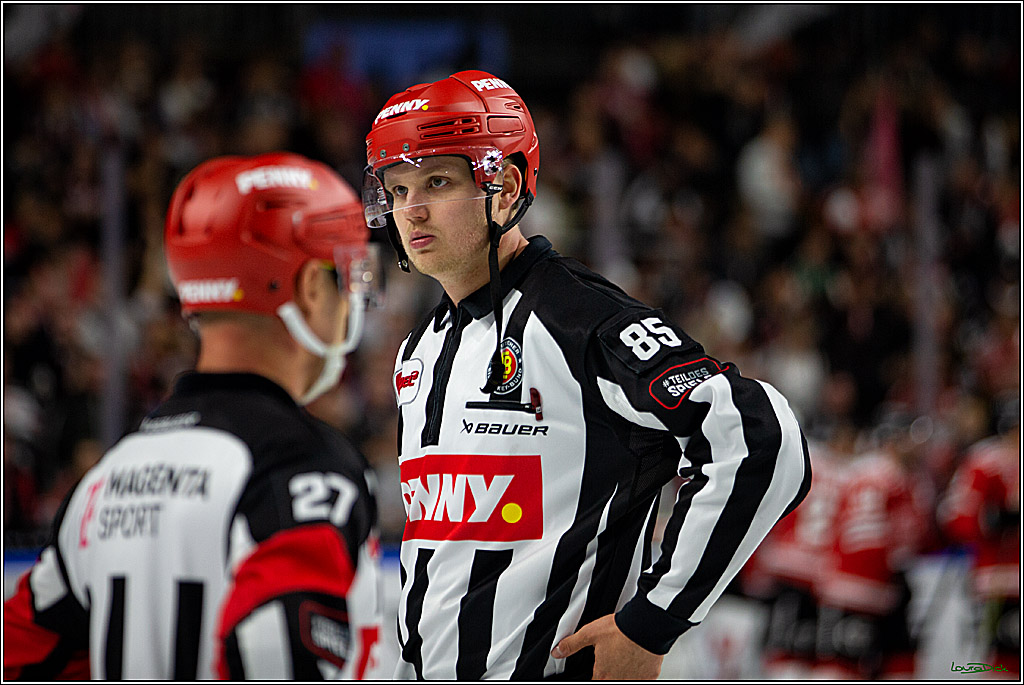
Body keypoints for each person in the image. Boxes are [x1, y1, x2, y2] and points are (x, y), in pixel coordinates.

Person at [362, 70, 812, 680]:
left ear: (504, 186)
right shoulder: (420, 347)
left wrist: (654, 622)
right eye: (397, 187)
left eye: (437, 181)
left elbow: (762, 438)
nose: (410, 208)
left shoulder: (582, 322)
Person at [4, 152, 385, 679]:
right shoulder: (307, 467)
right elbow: (285, 662)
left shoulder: (107, 478)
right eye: (347, 276)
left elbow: (20, 651)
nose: (355, 299)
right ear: (312, 290)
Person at [939, 400, 1019, 677]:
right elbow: (955, 516)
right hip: (1000, 578)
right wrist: (992, 519)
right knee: (1001, 659)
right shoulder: (985, 460)